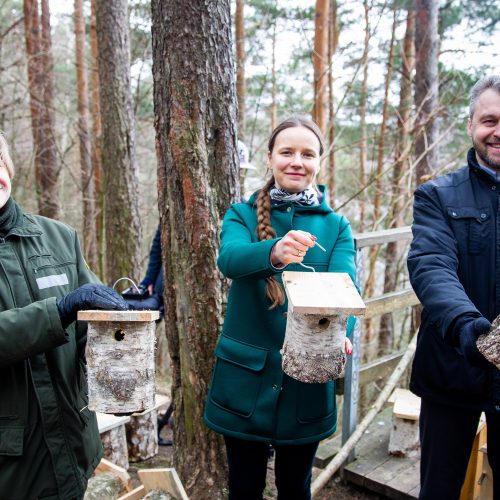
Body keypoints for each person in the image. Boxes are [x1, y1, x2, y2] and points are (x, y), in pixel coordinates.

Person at [204, 116, 356, 499]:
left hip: (306, 382)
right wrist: (273, 251)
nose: (296, 161)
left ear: (320, 161)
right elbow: (231, 260)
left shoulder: (337, 227)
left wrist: (343, 335)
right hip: (245, 379)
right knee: (243, 486)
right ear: (270, 158)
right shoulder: (241, 214)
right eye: (286, 152)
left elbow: (344, 289)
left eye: (307, 154)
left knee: (295, 487)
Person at [0, 133, 129, 499]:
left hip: (71, 443)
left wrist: (120, 327)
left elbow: (89, 322)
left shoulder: (58, 237)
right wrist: (60, 309)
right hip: (11, 463)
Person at [407, 75, 500, 499]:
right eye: (489, 120)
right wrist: (470, 328)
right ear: (471, 125)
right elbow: (431, 265)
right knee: (440, 489)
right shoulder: (437, 196)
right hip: (451, 365)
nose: (497, 131)